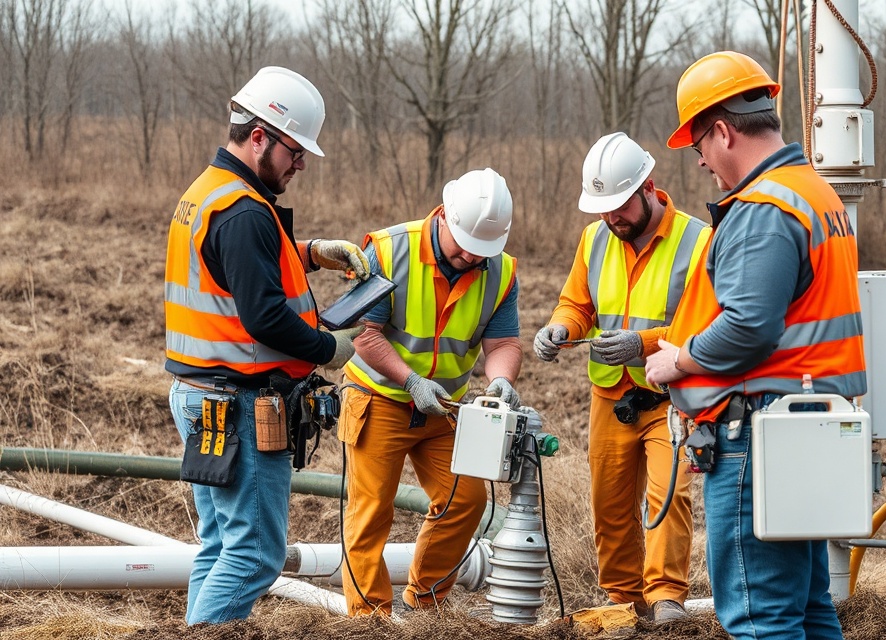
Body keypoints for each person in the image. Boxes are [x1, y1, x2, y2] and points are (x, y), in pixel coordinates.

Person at [645, 51, 867, 639]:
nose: (701, 165)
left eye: (698, 149)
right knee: (807, 610)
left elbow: (748, 326)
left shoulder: (763, 209)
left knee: (760, 617)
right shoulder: (812, 191)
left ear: (721, 131)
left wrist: (678, 361)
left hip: (758, 436)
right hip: (805, 424)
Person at [164, 66, 369, 625]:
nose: (300, 163)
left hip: (200, 394)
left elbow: (238, 269)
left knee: (220, 544)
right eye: (294, 150)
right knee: (255, 557)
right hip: (241, 405)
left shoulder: (211, 192)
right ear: (259, 137)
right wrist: (333, 348)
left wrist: (311, 252)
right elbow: (265, 316)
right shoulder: (246, 211)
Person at [534, 132, 710, 624]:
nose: (612, 219)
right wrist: (560, 328)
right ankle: (623, 601)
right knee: (609, 502)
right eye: (603, 209)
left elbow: (707, 324)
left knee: (669, 496)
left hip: (670, 394)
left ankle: (667, 597)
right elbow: (578, 303)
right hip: (611, 397)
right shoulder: (595, 238)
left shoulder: (698, 241)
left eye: (619, 207)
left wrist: (644, 343)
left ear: (649, 187)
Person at [338, 167, 523, 616]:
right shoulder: (387, 250)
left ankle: (425, 607)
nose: (470, 258)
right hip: (379, 398)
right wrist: (411, 380)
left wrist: (501, 379)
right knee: (371, 511)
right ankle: (370, 620)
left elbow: (502, 342)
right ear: (444, 216)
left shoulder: (499, 271)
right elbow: (365, 334)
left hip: (444, 408)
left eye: (481, 252)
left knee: (466, 500)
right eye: (464, 247)